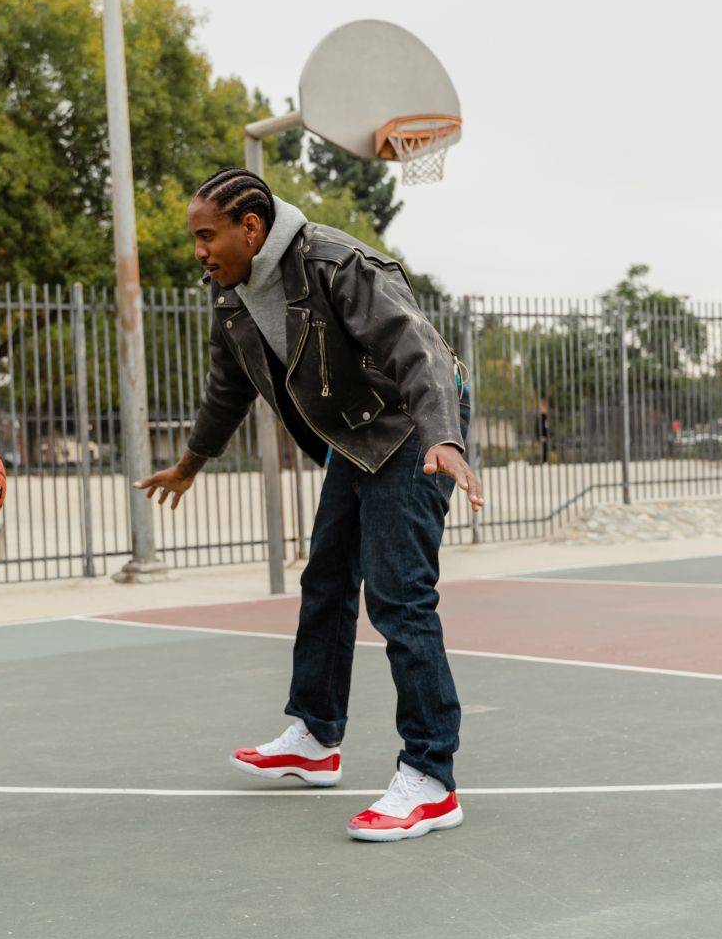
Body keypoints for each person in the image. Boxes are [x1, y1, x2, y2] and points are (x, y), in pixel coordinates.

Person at [135, 168, 484, 842]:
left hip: (410, 425)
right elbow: (226, 385)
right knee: (324, 580)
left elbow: (417, 344)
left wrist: (442, 434)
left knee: (399, 596)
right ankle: (316, 737)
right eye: (194, 240)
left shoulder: (335, 262)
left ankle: (431, 777)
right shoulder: (232, 295)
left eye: (206, 236)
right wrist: (189, 463)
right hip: (353, 436)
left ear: (251, 227)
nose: (199, 251)